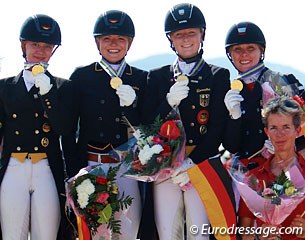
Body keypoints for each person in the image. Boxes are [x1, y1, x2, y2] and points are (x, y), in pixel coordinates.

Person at [142, 3, 238, 239]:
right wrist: (167, 103)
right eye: (179, 35)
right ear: (171, 39)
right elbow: (145, 123)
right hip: (165, 167)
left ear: (201, 34)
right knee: (168, 233)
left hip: (202, 164)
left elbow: (216, 128)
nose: (186, 39)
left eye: (191, 33)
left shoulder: (218, 75)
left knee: (199, 233)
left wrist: (191, 163)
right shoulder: (156, 77)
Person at [61, 10, 147, 240]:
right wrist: (72, 174)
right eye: (107, 39)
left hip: (127, 170)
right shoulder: (81, 77)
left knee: (127, 232)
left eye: (120, 39)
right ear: (97, 42)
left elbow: (147, 131)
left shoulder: (141, 78)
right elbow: (68, 131)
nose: (113, 44)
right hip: (90, 166)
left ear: (129, 43)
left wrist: (133, 107)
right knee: (93, 234)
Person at [0, 14, 70, 239]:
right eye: (35, 44)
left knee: (47, 234)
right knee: (12, 234)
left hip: (46, 167)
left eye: (47, 46)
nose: (40, 51)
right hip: (14, 167)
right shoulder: (5, 87)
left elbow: (63, 128)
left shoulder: (62, 87)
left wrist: (48, 94)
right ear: (23, 45)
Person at [224, 21, 305, 168]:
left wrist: (288, 143)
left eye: (250, 48)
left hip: (286, 168)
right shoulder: (228, 92)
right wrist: (234, 118)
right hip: (246, 172)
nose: (244, 54)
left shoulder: (285, 82)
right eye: (237, 49)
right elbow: (231, 145)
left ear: (261, 51)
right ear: (230, 54)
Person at [238, 96, 305, 240]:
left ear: (298, 131)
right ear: (267, 132)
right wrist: (257, 236)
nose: (280, 134)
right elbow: (244, 233)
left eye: (286, 127)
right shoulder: (253, 178)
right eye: (273, 128)